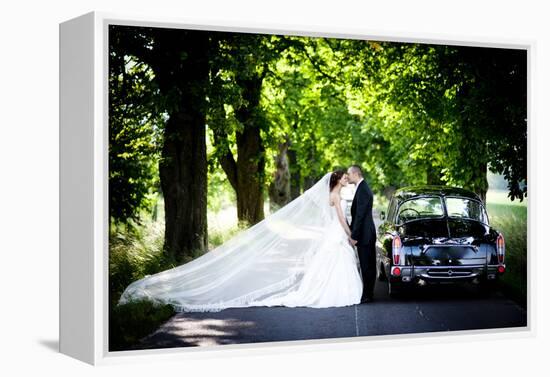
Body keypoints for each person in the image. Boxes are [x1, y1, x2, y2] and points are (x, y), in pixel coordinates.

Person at [119, 170, 363, 312]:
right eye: (342, 178)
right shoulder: (336, 197)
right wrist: (350, 234)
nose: (345, 180)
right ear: (336, 181)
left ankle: (321, 292)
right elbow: (341, 219)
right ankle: (333, 294)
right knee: (336, 263)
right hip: (336, 235)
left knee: (329, 265)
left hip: (331, 235)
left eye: (345, 178)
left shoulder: (330, 194)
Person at [347, 165, 377, 303]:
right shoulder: (362, 187)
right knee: (367, 265)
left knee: (367, 266)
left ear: (355, 173)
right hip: (366, 234)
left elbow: (360, 216)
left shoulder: (363, 189)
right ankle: (367, 294)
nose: (347, 177)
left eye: (349, 174)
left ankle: (367, 295)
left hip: (365, 235)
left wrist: (354, 236)